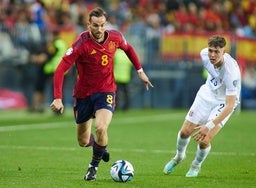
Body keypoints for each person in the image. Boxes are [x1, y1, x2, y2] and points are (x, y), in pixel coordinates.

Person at [50, 7, 153, 181]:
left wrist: (140, 70)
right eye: (95, 26)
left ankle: (93, 167)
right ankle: (101, 148)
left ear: (106, 24)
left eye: (102, 25)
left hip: (106, 91)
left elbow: (129, 49)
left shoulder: (115, 37)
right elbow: (60, 69)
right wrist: (58, 97)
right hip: (83, 95)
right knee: (83, 141)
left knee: (100, 127)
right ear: (88, 24)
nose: (99, 30)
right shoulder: (80, 43)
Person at [163, 36, 241, 177]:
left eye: (217, 52)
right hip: (207, 94)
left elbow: (230, 106)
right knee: (185, 132)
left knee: (205, 140)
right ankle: (179, 157)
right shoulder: (204, 54)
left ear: (224, 52)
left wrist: (209, 125)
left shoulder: (231, 72)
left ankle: (196, 165)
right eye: (211, 50)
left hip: (224, 101)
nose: (212, 55)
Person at [30, 31, 67, 112]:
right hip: (59, 69)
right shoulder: (62, 43)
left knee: (52, 90)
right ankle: (58, 108)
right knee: (57, 90)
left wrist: (38, 58)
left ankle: (55, 108)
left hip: (54, 69)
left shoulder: (56, 43)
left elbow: (48, 54)